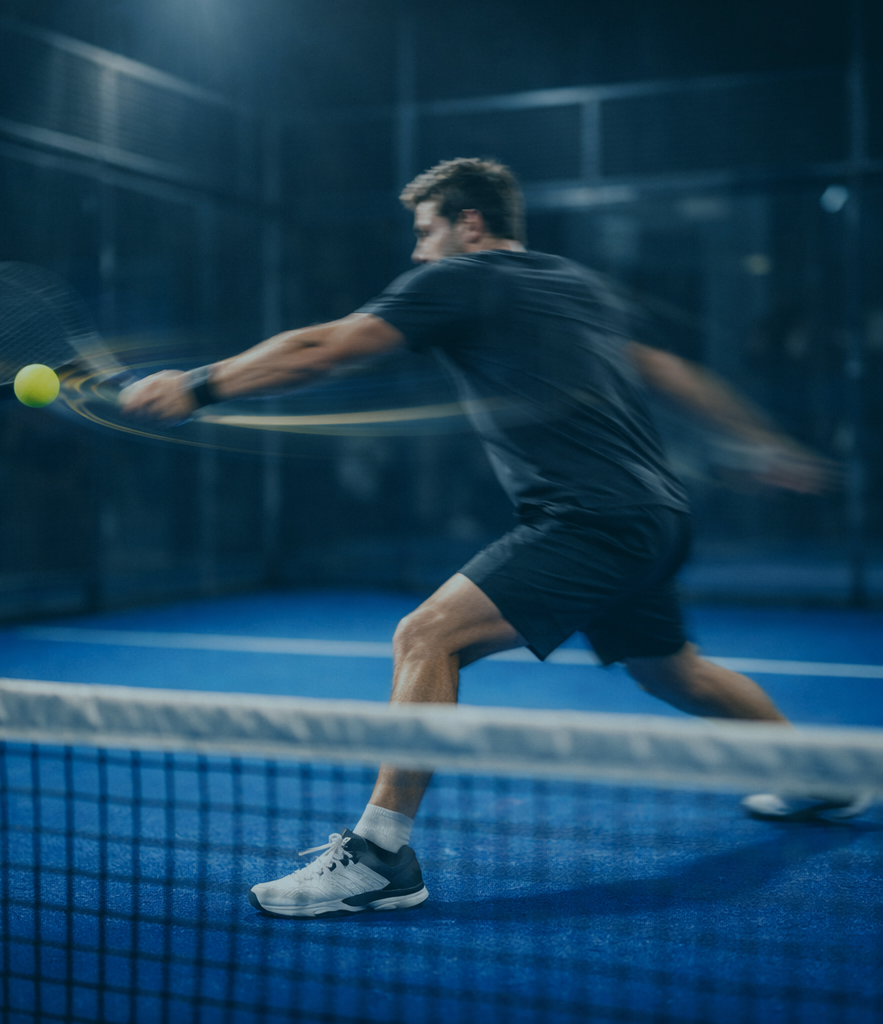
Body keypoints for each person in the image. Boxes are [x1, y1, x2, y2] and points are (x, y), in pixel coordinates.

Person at [120, 158, 867, 918]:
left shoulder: (458, 277)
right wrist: (756, 443)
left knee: (426, 638)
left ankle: (379, 860)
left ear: (468, 224)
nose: (417, 252)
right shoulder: (576, 285)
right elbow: (671, 372)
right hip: (657, 513)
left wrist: (198, 385)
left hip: (592, 517)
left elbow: (326, 348)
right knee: (675, 674)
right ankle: (823, 773)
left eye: (425, 231)